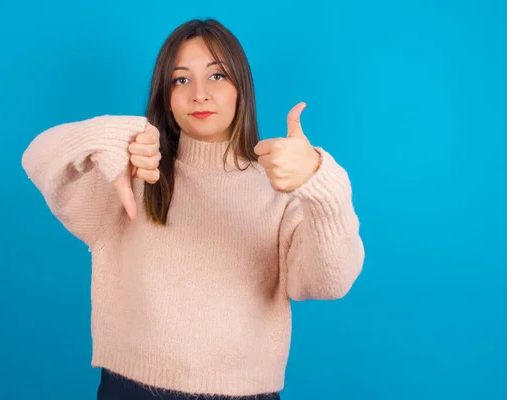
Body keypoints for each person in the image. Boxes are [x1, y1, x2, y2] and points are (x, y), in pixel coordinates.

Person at [21, 18, 365, 400]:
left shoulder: (280, 184)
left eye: (217, 76)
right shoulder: (132, 171)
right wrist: (112, 137)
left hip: (245, 393)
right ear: (165, 95)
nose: (199, 94)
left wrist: (321, 183)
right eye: (181, 80)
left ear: (241, 89)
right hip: (130, 389)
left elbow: (325, 284)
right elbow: (37, 157)